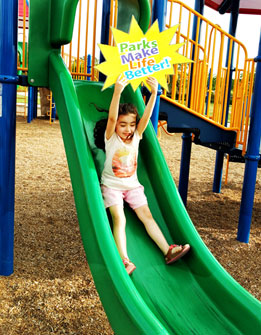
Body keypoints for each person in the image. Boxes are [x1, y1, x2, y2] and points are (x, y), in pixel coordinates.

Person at [97, 75, 190, 275]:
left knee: (147, 216)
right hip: (112, 186)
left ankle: (168, 250)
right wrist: (117, 92)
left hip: (132, 186)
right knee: (119, 219)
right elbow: (112, 117)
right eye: (123, 125)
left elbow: (146, 118)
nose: (128, 129)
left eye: (131, 124)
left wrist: (154, 93)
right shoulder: (111, 137)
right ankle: (123, 260)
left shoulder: (136, 136)